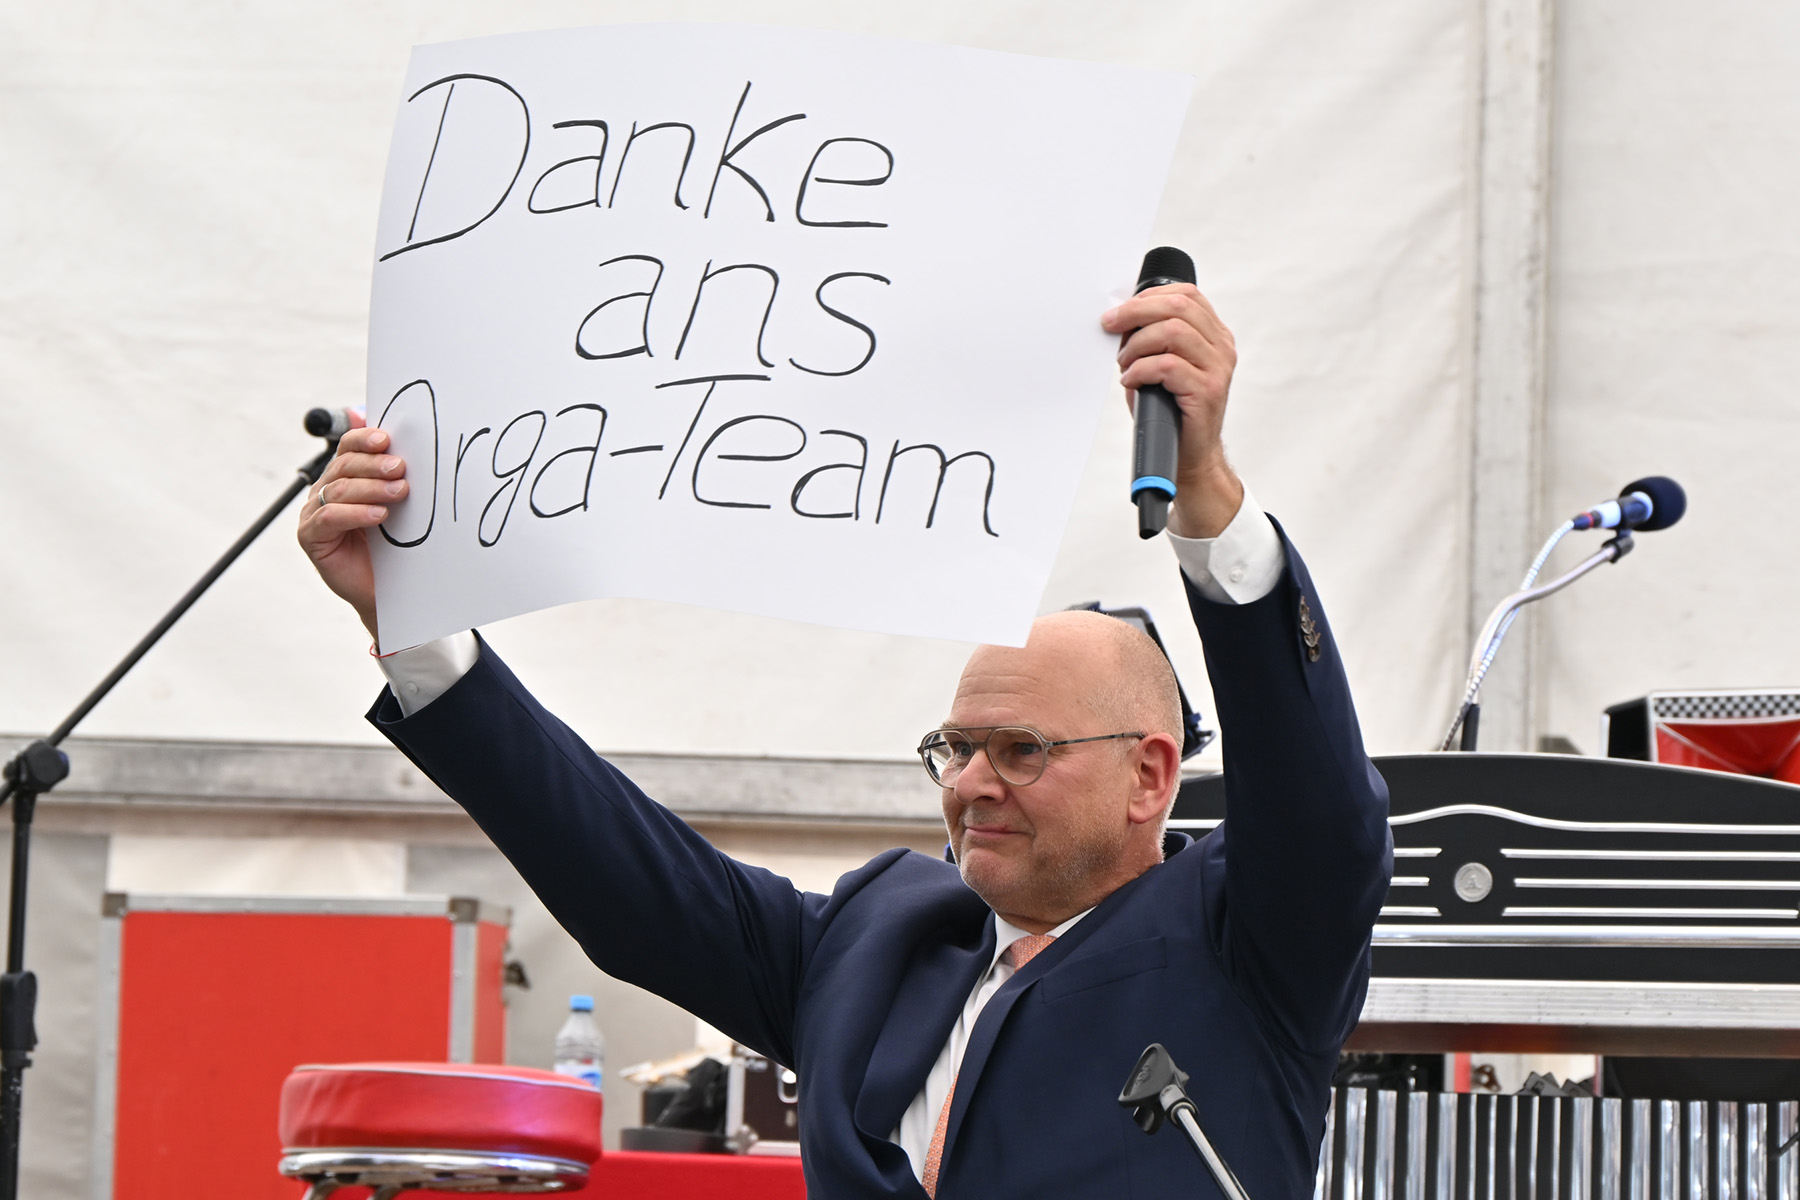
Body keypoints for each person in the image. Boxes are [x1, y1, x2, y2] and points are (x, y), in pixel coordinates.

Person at [298, 281, 1391, 1199]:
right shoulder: (878, 946)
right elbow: (627, 876)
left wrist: (1205, 493)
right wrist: (418, 631)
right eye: (955, 747)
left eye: (1021, 750)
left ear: (1149, 775)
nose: (973, 782)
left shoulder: (1244, 943)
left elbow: (1319, 808)